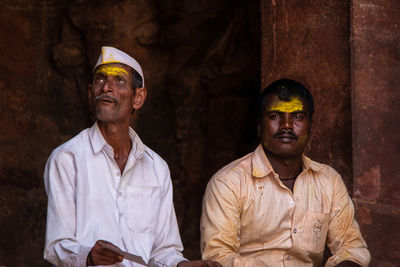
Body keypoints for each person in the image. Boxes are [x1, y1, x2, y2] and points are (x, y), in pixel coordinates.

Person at [44, 46, 222, 267]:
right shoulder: (67, 159)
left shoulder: (157, 167)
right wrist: (87, 255)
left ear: (138, 97)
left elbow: (163, 251)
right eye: (100, 80)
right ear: (91, 93)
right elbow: (56, 246)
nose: (106, 87)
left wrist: (181, 265)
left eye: (118, 81)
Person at [200, 79, 371, 266]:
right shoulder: (228, 182)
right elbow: (218, 256)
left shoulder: (329, 181)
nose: (286, 126)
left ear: (310, 127)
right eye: (275, 116)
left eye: (297, 117)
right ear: (259, 126)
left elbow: (351, 247)